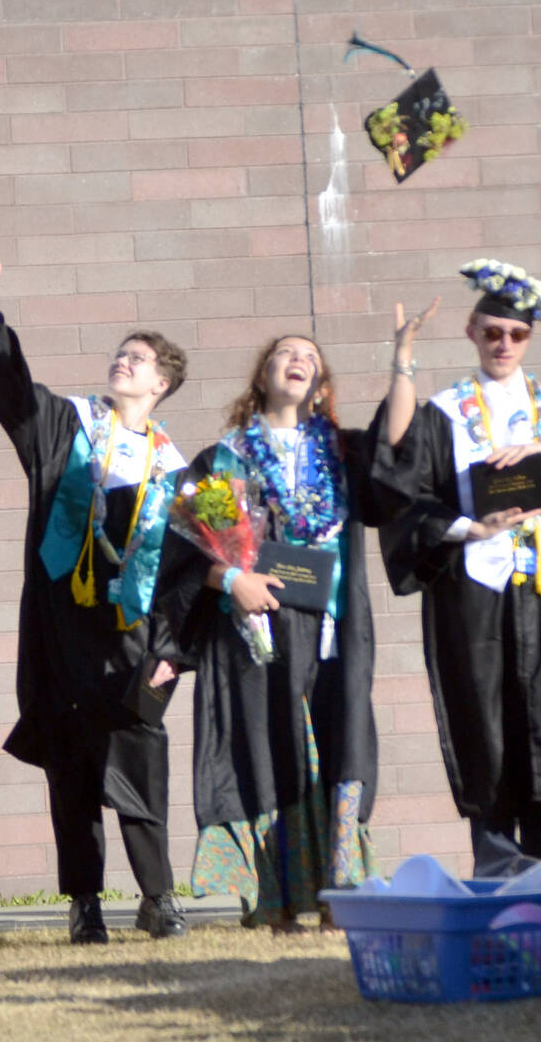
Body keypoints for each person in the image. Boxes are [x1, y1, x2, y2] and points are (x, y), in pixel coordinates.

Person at [149, 302, 433, 931]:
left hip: (330, 627)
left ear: (322, 384)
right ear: (263, 375)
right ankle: (273, 900)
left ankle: (340, 892)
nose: (298, 360)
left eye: (310, 357)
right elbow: (183, 553)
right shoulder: (224, 459)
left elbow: (397, 451)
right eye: (286, 353)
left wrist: (402, 360)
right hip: (258, 630)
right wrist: (232, 579)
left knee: (339, 746)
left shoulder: (343, 452)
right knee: (266, 749)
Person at [0, 250, 191, 945]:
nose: (123, 362)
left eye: (138, 358)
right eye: (120, 353)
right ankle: (85, 903)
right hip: (64, 628)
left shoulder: (177, 467)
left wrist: (172, 651)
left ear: (161, 383)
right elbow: (14, 398)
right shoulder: (70, 425)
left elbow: (186, 574)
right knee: (69, 766)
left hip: (134, 637)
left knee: (139, 756)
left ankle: (158, 896)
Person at [382, 260, 541, 875]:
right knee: (479, 714)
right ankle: (496, 854)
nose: (504, 344)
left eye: (518, 335)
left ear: (532, 340)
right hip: (473, 584)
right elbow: (406, 496)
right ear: (472, 332)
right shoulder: (442, 413)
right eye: (493, 331)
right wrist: (470, 527)